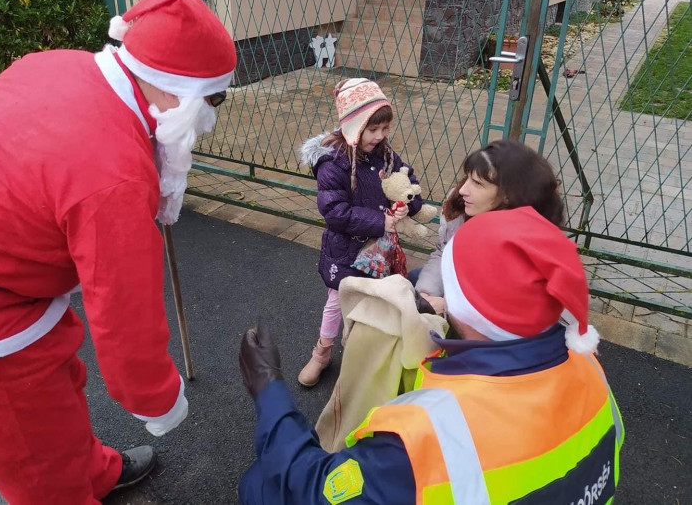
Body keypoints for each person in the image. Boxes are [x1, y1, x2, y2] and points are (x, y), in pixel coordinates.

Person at [0, 0, 236, 504]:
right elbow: (125, 319)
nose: (211, 116)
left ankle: (92, 469)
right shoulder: (114, 177)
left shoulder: (57, 62)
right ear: (177, 89)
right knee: (29, 449)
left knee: (59, 378)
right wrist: (160, 399)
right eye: (211, 99)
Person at [238, 207, 624, 504]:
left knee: (260, 485)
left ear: (462, 306)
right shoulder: (589, 368)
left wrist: (268, 388)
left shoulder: (429, 432)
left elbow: (316, 486)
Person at [297, 78, 426, 387]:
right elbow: (334, 212)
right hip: (346, 248)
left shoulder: (385, 154)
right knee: (337, 302)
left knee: (369, 303)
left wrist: (412, 203)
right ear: (354, 125)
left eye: (385, 129)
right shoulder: (334, 163)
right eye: (373, 130)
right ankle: (322, 352)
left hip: (378, 252)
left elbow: (407, 182)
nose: (380, 136)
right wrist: (380, 221)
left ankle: (355, 350)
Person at [411, 139, 565, 316]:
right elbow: (445, 252)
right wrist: (426, 294)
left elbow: (508, 305)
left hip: (504, 324)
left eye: (478, 183)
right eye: (468, 177)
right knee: (417, 279)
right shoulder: (460, 205)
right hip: (465, 293)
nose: (462, 190)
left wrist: (448, 306)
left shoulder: (528, 241)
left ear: (508, 195)